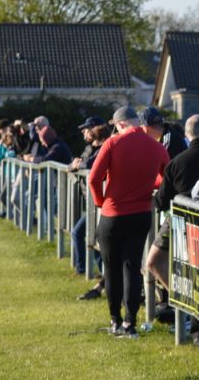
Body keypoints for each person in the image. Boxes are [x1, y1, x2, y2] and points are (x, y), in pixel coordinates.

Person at [88, 105, 169, 337]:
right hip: (141, 213)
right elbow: (165, 180)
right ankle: (130, 322)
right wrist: (146, 187)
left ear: (120, 124)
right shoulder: (157, 147)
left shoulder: (113, 144)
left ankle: (115, 320)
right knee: (133, 267)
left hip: (112, 214)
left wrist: (100, 202)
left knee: (111, 268)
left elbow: (94, 178)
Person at [146, 113, 199, 319]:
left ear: (188, 136)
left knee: (153, 262)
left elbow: (161, 202)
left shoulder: (176, 163)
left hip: (181, 224)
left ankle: (189, 306)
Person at [71, 116, 108, 293]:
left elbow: (91, 164)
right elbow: (79, 162)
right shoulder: (89, 147)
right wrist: (75, 164)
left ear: (94, 129)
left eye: (86, 129)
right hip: (92, 202)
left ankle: (85, 270)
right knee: (92, 239)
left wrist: (78, 164)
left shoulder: (104, 146)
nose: (84, 133)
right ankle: (100, 274)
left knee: (81, 233)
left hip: (100, 202)